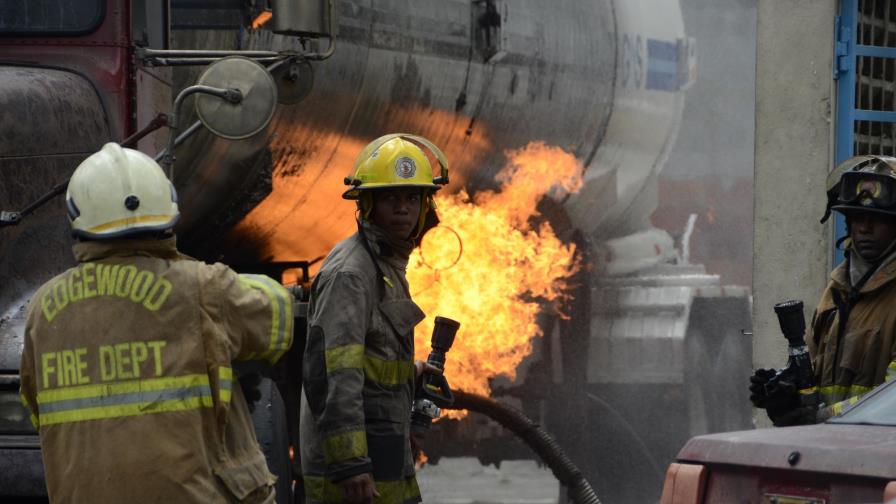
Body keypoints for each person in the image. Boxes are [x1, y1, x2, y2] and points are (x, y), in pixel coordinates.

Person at [18, 143, 294, 503]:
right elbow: (278, 321)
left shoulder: (41, 308)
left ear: (77, 219)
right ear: (167, 211)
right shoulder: (205, 287)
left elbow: (39, 411)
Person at [300, 134, 448, 504]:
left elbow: (369, 353)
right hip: (352, 477)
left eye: (412, 197)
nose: (403, 209)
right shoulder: (352, 273)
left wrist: (409, 372)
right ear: (367, 203)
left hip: (381, 458)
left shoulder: (384, 264)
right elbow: (335, 371)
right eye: (391, 197)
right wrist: (351, 464)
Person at [751, 155, 896, 426]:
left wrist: (822, 417)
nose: (864, 228)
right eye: (857, 217)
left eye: (878, 219)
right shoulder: (837, 289)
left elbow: (893, 400)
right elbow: (817, 376)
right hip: (830, 447)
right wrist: (784, 394)